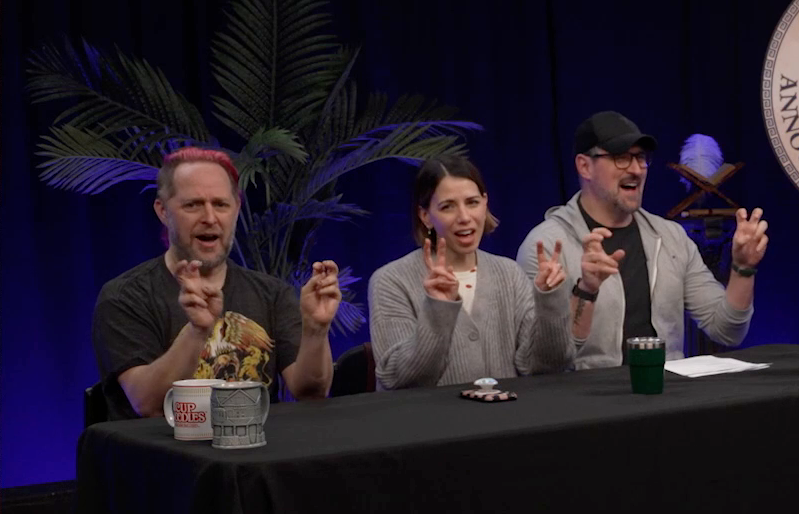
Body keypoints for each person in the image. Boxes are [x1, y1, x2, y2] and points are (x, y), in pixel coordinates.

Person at [91, 147, 339, 420]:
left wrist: (316, 330)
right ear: (163, 211)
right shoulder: (125, 297)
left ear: (236, 209)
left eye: (220, 204)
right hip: (165, 459)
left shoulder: (271, 293)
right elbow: (148, 404)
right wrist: (198, 331)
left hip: (255, 456)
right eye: (193, 204)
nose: (210, 218)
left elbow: (311, 392)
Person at [517, 111, 768, 367]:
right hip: (590, 402)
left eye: (640, 158)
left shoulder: (670, 238)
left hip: (665, 397)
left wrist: (743, 269)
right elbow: (543, 363)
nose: (636, 169)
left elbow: (726, 330)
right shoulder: (547, 246)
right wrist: (586, 290)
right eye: (621, 158)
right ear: (584, 166)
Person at [369, 156, 574, 388]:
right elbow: (399, 380)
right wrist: (437, 308)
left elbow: (547, 367)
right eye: (448, 206)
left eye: (472, 202)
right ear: (425, 216)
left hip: (510, 420)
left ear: (485, 203)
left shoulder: (509, 274)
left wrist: (550, 302)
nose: (464, 217)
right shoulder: (391, 281)